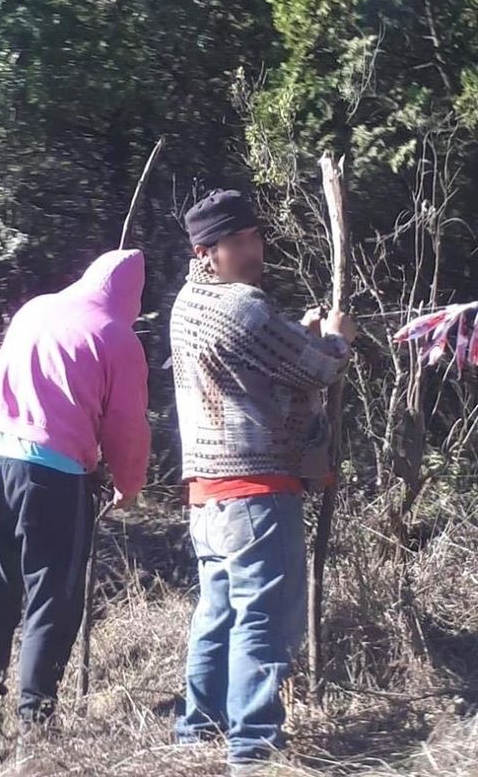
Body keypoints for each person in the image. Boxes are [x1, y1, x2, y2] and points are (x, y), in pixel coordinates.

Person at [169, 189, 356, 771]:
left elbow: (256, 363)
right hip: (256, 490)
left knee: (218, 613)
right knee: (264, 618)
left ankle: (197, 729)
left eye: (255, 236)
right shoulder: (244, 305)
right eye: (243, 240)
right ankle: (252, 749)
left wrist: (297, 336)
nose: (257, 248)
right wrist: (337, 336)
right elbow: (317, 367)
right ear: (208, 251)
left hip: (207, 494)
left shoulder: (186, 304)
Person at [0, 249, 151, 764]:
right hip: (55, 475)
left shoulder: (35, 308)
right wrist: (128, 485)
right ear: (132, 297)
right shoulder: (119, 337)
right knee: (52, 597)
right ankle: (35, 725)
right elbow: (127, 427)